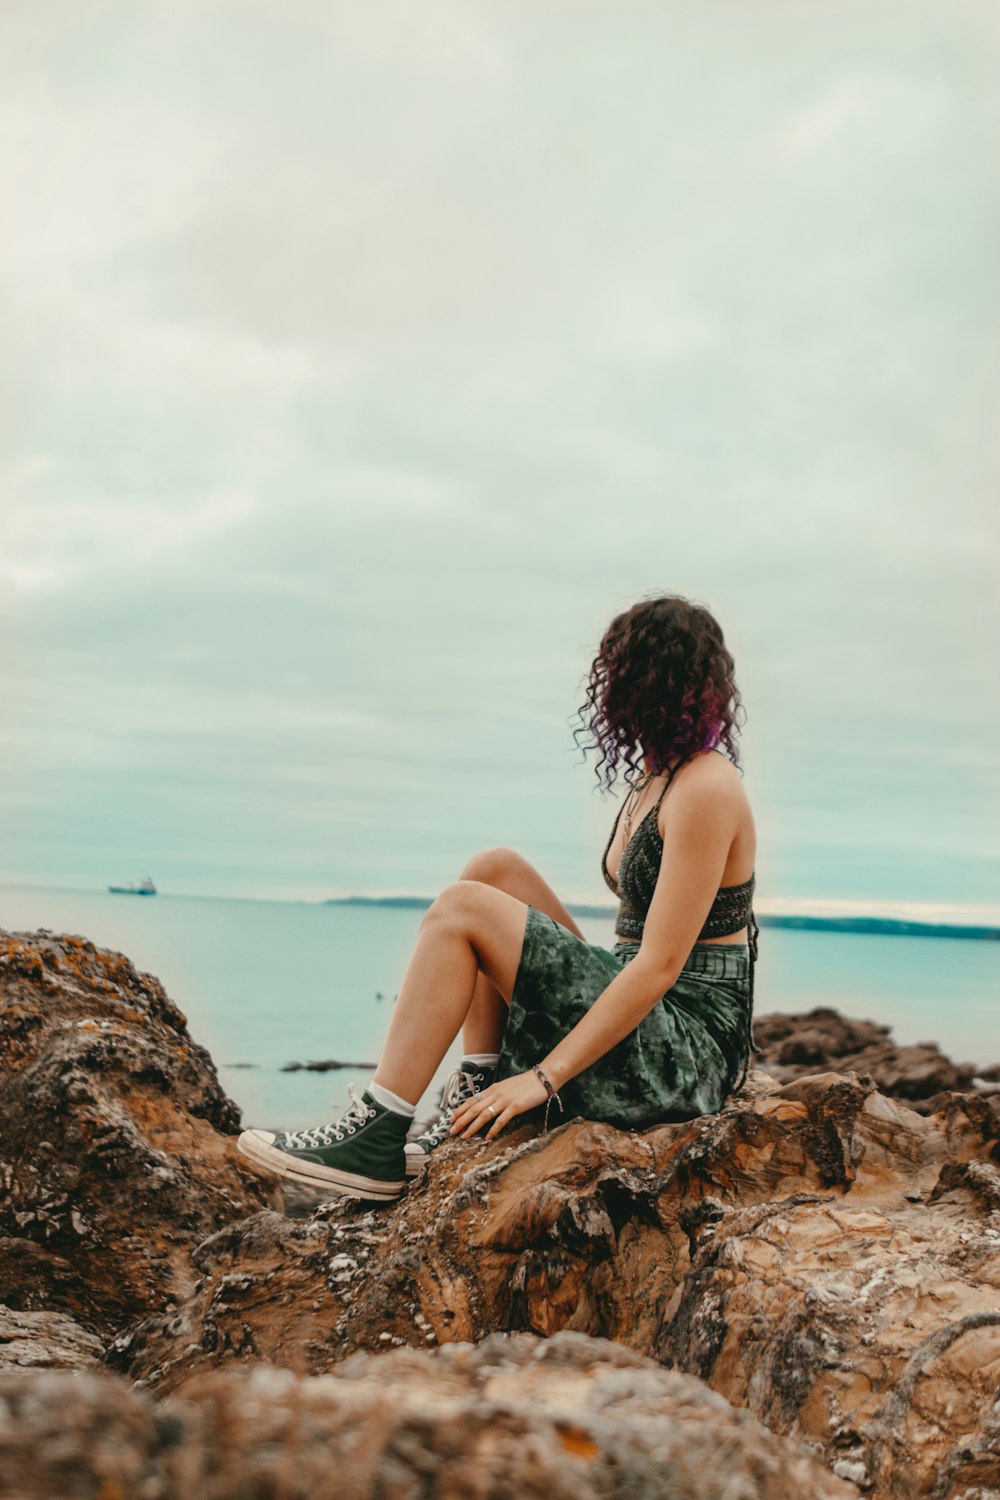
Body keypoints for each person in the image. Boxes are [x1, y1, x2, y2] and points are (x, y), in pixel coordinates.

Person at [237, 592, 759, 1202]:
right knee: (493, 871)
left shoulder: (707, 787)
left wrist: (542, 1079)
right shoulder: (659, 777)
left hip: (685, 1056)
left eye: (625, 675)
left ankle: (377, 1135)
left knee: (463, 909)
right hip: (650, 1014)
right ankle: (476, 1082)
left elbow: (660, 965)